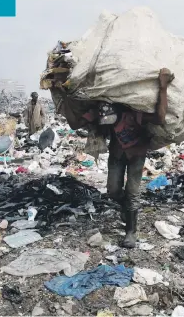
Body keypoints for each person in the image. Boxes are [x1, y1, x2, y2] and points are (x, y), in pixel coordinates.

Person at [60, 68, 174, 248]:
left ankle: (131, 232)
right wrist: (64, 95)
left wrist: (163, 87)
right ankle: (125, 208)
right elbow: (75, 123)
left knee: (133, 192)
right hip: (116, 153)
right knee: (113, 190)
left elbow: (159, 118)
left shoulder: (132, 114)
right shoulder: (101, 111)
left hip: (136, 153)